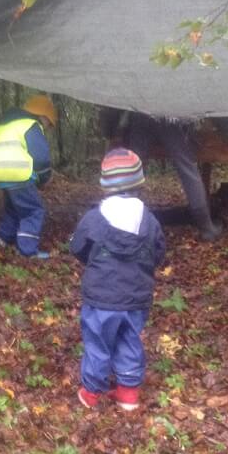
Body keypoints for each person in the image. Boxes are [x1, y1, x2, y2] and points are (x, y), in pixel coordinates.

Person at [70, 147, 166, 412]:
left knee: (97, 341)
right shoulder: (149, 219)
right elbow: (158, 252)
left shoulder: (94, 218)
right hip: (136, 297)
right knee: (129, 339)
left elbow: (78, 247)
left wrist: (95, 261)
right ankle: (128, 393)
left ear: (105, 184)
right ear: (139, 182)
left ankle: (91, 392)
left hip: (101, 297)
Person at [105, 111, 228, 242]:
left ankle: (120, 227)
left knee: (132, 169)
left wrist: (111, 131)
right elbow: (213, 101)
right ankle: (206, 228)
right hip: (170, 115)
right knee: (187, 168)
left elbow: (115, 102)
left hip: (141, 114)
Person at [0, 94, 57, 259]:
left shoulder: (5, 123)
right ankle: (27, 249)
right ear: (43, 116)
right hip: (17, 171)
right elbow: (40, 157)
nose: (47, 128)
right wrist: (44, 177)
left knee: (13, 208)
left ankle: (1, 239)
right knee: (33, 210)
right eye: (49, 124)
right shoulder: (31, 125)